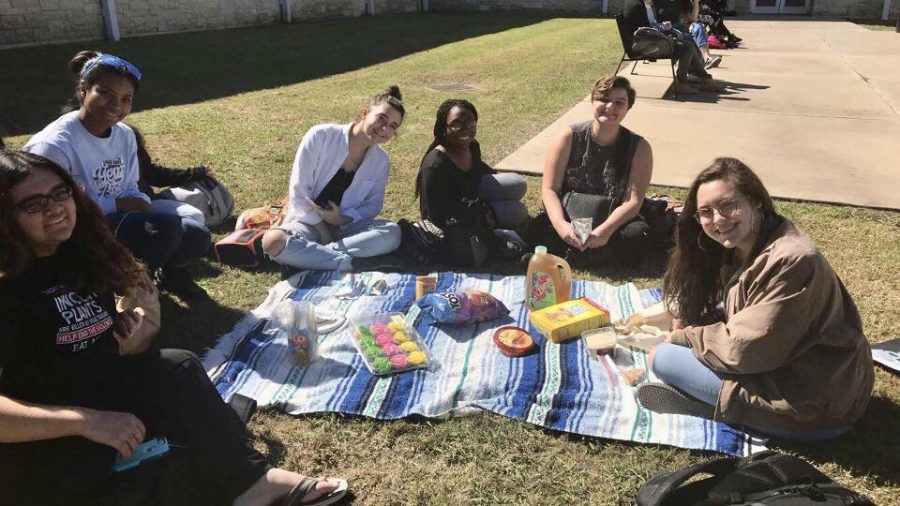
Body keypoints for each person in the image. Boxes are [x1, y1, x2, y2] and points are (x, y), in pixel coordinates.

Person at [0, 150, 349, 505]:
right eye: (33, 204)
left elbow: (85, 348)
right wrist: (85, 421)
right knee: (173, 479)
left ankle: (251, 483)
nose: (56, 208)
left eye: (61, 193)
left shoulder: (79, 253)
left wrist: (137, 337)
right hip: (43, 438)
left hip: (99, 400)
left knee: (178, 366)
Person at [638, 157, 874, 441]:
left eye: (728, 205)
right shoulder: (748, 243)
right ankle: (712, 403)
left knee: (662, 357)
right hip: (803, 378)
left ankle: (710, 408)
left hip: (813, 409)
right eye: (706, 212)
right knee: (687, 348)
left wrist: (685, 337)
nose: (718, 220)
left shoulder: (792, 259)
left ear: (756, 201)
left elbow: (744, 351)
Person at [22, 50, 211, 300]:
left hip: (118, 219)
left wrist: (140, 203)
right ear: (84, 89)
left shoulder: (124, 135)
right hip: (77, 232)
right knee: (165, 229)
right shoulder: (52, 146)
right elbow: (48, 211)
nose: (115, 106)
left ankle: (171, 277)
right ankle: (123, 291)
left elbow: (130, 185)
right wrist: (119, 205)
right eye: (105, 93)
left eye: (126, 99)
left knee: (196, 234)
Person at [262, 86, 405, 272]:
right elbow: (298, 193)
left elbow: (373, 205)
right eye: (381, 119)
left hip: (346, 230)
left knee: (392, 233)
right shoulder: (321, 136)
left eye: (393, 126)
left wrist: (340, 219)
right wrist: (323, 231)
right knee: (273, 242)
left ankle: (324, 255)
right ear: (365, 112)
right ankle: (349, 263)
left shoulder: (381, 160)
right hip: (308, 223)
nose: (385, 129)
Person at [527, 75, 653, 268]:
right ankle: (590, 253)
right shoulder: (569, 136)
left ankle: (585, 252)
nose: (610, 107)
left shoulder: (639, 147)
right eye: (603, 99)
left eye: (619, 102)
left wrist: (604, 231)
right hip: (570, 215)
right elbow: (550, 188)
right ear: (592, 101)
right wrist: (562, 226)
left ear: (628, 108)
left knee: (637, 235)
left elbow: (633, 201)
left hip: (611, 218)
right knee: (536, 230)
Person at [414, 99, 528, 258]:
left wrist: (497, 179)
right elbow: (434, 215)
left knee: (518, 184)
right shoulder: (435, 164)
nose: (465, 129)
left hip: (473, 192)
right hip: (458, 213)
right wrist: (481, 212)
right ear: (444, 128)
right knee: (519, 212)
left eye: (470, 123)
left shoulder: (471, 145)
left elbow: (479, 167)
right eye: (456, 124)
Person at [624, 0, 723, 94]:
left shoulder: (644, 4)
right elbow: (644, 32)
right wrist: (663, 29)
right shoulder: (637, 6)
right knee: (687, 46)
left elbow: (649, 27)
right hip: (648, 46)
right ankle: (685, 82)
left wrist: (662, 27)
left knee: (687, 41)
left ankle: (701, 78)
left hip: (652, 41)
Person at [133, 125, 212, 226]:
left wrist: (195, 173)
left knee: (194, 215)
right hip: (117, 213)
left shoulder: (128, 134)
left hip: (148, 202)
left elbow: (155, 175)